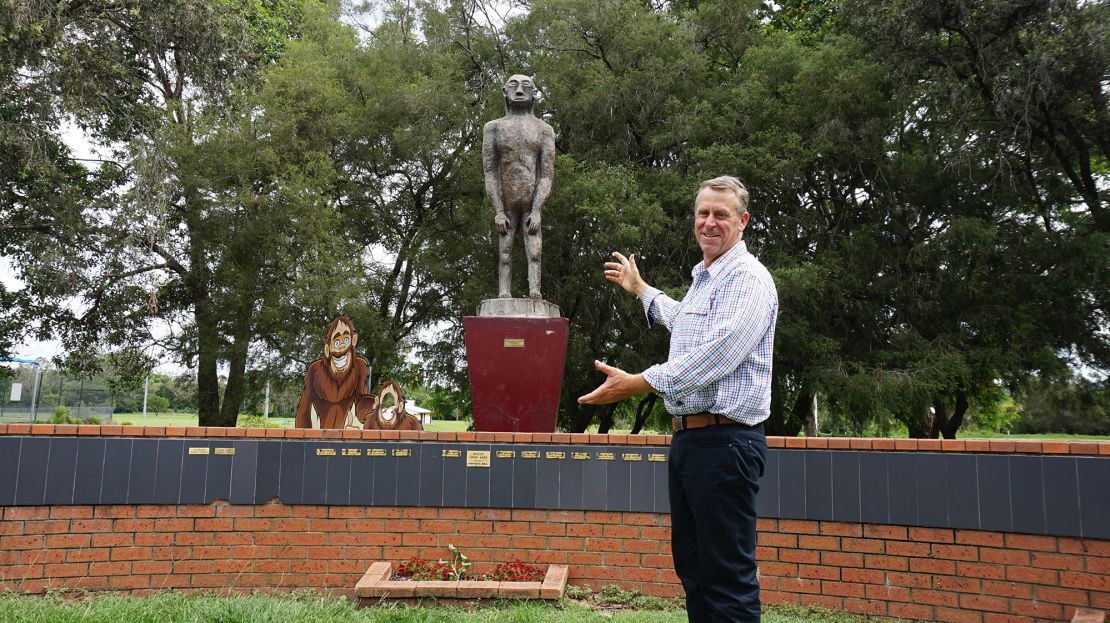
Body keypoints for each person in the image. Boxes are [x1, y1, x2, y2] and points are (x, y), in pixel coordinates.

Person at [578, 175, 778, 622]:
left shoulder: (749, 279)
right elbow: (685, 321)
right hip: (692, 444)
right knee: (696, 571)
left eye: (721, 215)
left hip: (728, 445)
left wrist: (640, 382)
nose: (709, 222)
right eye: (703, 213)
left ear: (742, 221)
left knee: (727, 578)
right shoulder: (705, 279)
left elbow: (720, 353)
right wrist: (641, 290)